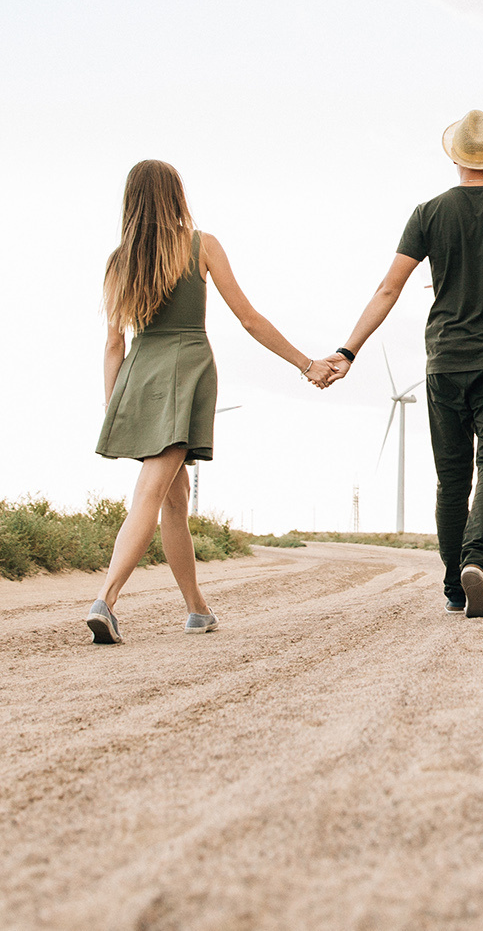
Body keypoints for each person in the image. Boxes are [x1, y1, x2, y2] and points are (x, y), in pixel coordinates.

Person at [318, 110, 483, 618]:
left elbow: (389, 289)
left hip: (445, 361)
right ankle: (477, 562)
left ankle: (455, 587)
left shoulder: (428, 213)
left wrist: (348, 351)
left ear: (455, 157)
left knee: (452, 479)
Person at [87, 159, 328, 644]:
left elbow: (114, 343)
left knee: (175, 500)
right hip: (186, 374)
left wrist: (115, 406)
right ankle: (105, 601)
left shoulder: (118, 261)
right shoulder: (201, 245)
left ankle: (197, 609)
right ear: (175, 195)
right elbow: (249, 318)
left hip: (139, 377)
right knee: (151, 493)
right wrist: (305, 363)